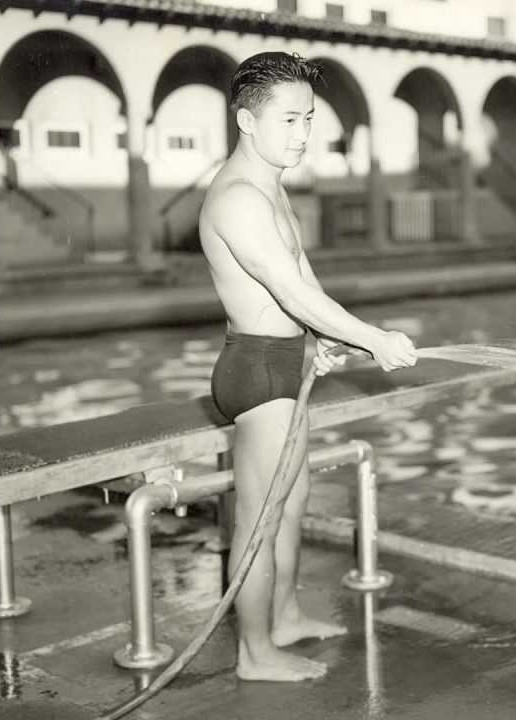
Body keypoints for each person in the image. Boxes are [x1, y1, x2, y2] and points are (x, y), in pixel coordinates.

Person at [199, 51, 418, 682]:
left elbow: (303, 281)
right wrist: (373, 338)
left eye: (309, 120)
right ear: (246, 119)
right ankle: (253, 653)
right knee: (260, 521)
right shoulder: (239, 197)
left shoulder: (268, 184)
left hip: (285, 359)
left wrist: (325, 339)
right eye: (290, 120)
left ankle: (286, 617)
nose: (303, 135)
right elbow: (290, 294)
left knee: (292, 501)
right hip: (259, 370)